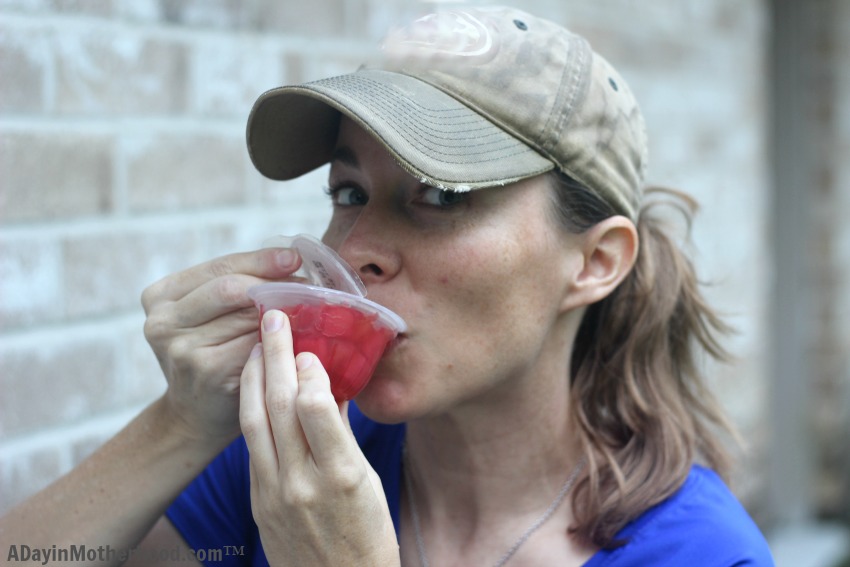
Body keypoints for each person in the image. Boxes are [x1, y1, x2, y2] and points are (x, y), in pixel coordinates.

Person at [1, 6, 775, 566]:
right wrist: (180, 422)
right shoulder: (302, 465)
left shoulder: (697, 552)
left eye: (439, 196)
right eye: (348, 193)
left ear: (596, 261)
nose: (357, 248)